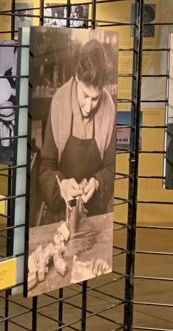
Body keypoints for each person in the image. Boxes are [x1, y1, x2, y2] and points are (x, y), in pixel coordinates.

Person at [36, 39, 116, 226]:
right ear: (77, 78)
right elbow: (46, 168)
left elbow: (113, 167)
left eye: (95, 99)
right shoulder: (59, 102)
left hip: (95, 214)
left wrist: (98, 182)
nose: (88, 107)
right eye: (85, 96)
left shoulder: (109, 108)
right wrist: (61, 185)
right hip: (59, 213)